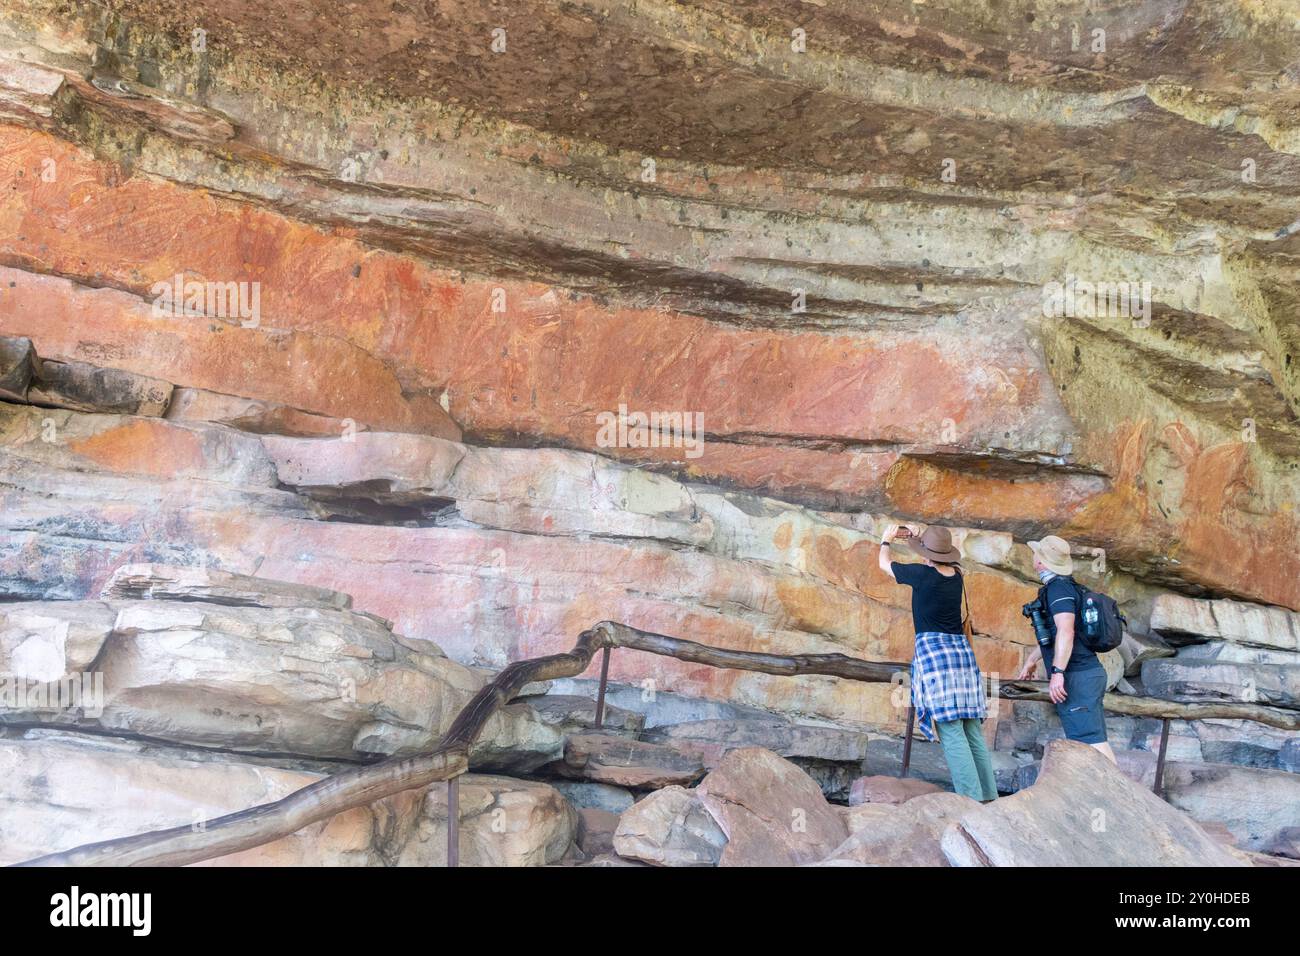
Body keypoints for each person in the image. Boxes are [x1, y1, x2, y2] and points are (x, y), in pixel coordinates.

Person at [879, 522, 997, 803]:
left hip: (936, 657)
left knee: (951, 728)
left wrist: (886, 540)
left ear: (926, 554)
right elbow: (935, 557)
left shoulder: (921, 575)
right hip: (962, 656)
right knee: (971, 728)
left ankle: (971, 800)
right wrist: (923, 540)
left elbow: (884, 564)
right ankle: (990, 797)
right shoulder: (956, 576)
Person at [1015, 535, 1116, 763]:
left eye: (1036, 553)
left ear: (1040, 561)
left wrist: (1058, 673)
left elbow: (1066, 631)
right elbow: (1053, 636)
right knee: (1089, 740)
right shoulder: (1068, 587)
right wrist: (1032, 660)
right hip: (1086, 674)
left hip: (1077, 677)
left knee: (1092, 744)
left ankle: (1121, 795)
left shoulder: (1058, 590)